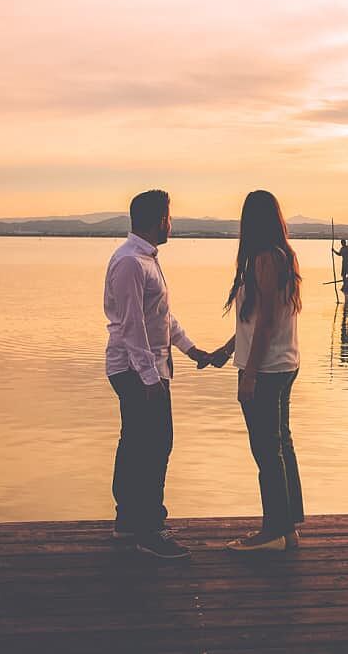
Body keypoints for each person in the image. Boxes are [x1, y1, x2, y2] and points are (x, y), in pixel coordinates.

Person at [103, 189, 212, 558]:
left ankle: (128, 521)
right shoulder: (131, 262)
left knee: (136, 443)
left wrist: (191, 348)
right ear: (155, 220)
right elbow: (133, 326)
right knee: (154, 446)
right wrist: (150, 379)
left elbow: (161, 316)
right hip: (136, 369)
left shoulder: (146, 259)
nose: (171, 222)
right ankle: (150, 530)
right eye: (168, 216)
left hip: (147, 367)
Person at [208, 190, 304, 552]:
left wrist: (248, 373)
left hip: (265, 369)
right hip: (283, 364)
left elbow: (265, 324)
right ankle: (289, 526)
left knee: (267, 451)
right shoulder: (282, 257)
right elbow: (256, 323)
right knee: (281, 446)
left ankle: (273, 531)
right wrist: (227, 349)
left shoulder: (265, 260)